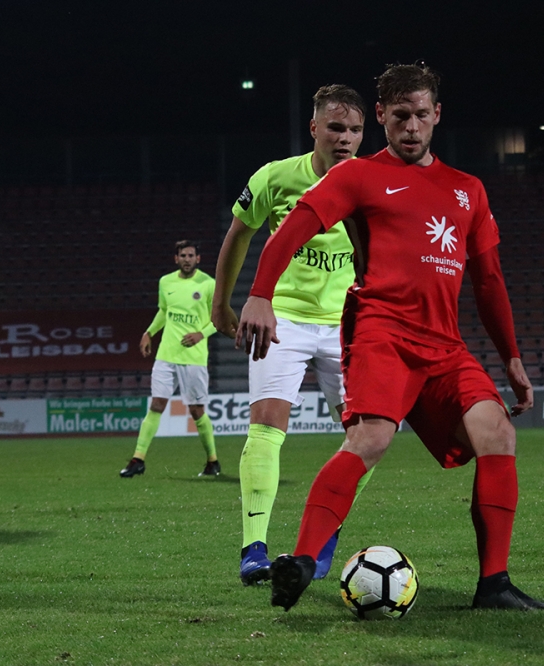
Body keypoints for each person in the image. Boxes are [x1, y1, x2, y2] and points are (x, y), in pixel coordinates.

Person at [236, 63, 544, 612]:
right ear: (381, 116)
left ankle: (494, 584)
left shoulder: (467, 190)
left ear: (437, 115)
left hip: (444, 344)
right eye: (400, 115)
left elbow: (489, 281)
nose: (411, 126)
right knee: (371, 439)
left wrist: (512, 357)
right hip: (381, 330)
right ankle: (303, 562)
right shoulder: (357, 176)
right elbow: (290, 231)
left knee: (498, 433)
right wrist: (260, 295)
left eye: (421, 115)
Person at [212, 84, 372, 585]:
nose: (345, 138)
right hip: (283, 319)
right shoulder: (276, 177)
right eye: (335, 128)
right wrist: (221, 302)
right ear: (314, 128)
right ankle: (253, 550)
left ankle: (323, 540)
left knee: (368, 435)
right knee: (266, 425)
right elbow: (239, 233)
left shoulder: (374, 183)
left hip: (348, 324)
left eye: (354, 130)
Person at [119, 240, 219, 479]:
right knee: (156, 405)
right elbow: (164, 311)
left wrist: (200, 334)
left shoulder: (209, 284)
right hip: (166, 355)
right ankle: (138, 459)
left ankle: (212, 461)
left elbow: (219, 319)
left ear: (198, 259)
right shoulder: (166, 282)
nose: (187, 259)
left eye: (191, 255)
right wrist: (149, 332)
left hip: (194, 358)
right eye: (183, 255)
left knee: (196, 411)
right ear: (176, 259)